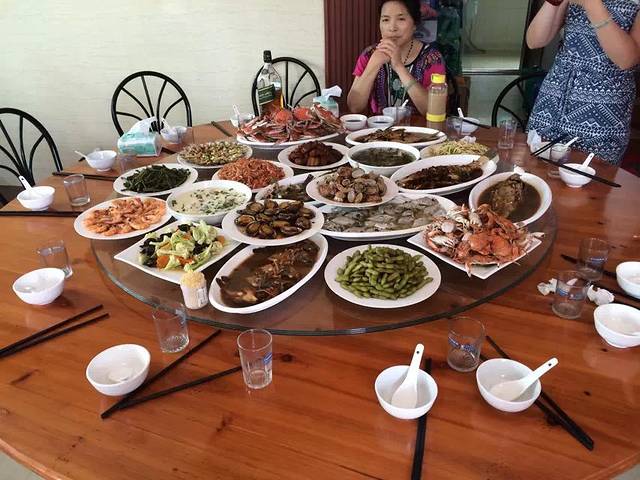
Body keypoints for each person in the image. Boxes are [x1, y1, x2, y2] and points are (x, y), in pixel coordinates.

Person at [526, 0, 640, 165]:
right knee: (535, 172)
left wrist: (591, 3)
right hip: (550, 108)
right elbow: (534, 41)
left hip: (603, 118)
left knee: (591, 178)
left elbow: (626, 59)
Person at [347, 0, 446, 117]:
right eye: (386, 20)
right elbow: (354, 106)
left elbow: (433, 111)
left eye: (401, 19)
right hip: (378, 128)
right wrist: (374, 64)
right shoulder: (369, 55)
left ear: (415, 24)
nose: (392, 28)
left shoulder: (431, 58)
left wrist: (399, 67)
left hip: (419, 128)